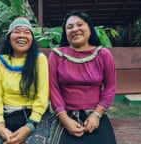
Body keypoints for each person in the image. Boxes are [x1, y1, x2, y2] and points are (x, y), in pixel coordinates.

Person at [48, 10, 117, 144]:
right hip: (65, 115)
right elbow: (53, 89)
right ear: (65, 33)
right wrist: (65, 120)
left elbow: (111, 87)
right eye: (70, 27)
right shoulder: (56, 56)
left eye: (80, 25)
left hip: (96, 114)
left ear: (90, 29)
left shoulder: (103, 54)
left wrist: (97, 114)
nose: (75, 29)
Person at [0, 17, 49, 144]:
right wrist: (0, 126)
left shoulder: (39, 59)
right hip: (7, 116)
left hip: (36, 117)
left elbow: (42, 94)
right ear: (9, 37)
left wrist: (29, 126)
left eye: (27, 32)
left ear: (32, 39)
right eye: (17, 31)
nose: (22, 35)